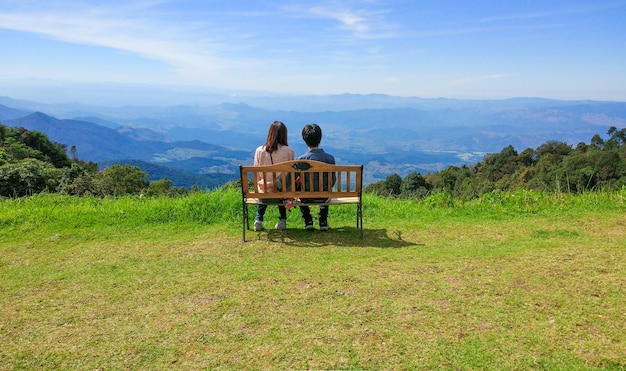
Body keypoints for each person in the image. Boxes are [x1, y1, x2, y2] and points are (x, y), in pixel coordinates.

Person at [253, 121, 294, 231]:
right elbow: (290, 175)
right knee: (283, 185)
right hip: (282, 193)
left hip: (263, 193)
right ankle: (282, 221)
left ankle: (258, 220)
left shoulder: (259, 151)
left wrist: (263, 185)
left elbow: (256, 173)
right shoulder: (289, 151)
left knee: (267, 189)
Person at [297, 123, 335, 231]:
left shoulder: (300, 160)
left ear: (304, 139)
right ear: (320, 138)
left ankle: (308, 220)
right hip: (324, 196)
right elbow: (332, 181)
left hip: (305, 197)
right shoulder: (329, 159)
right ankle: (323, 221)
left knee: (299, 188)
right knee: (326, 187)